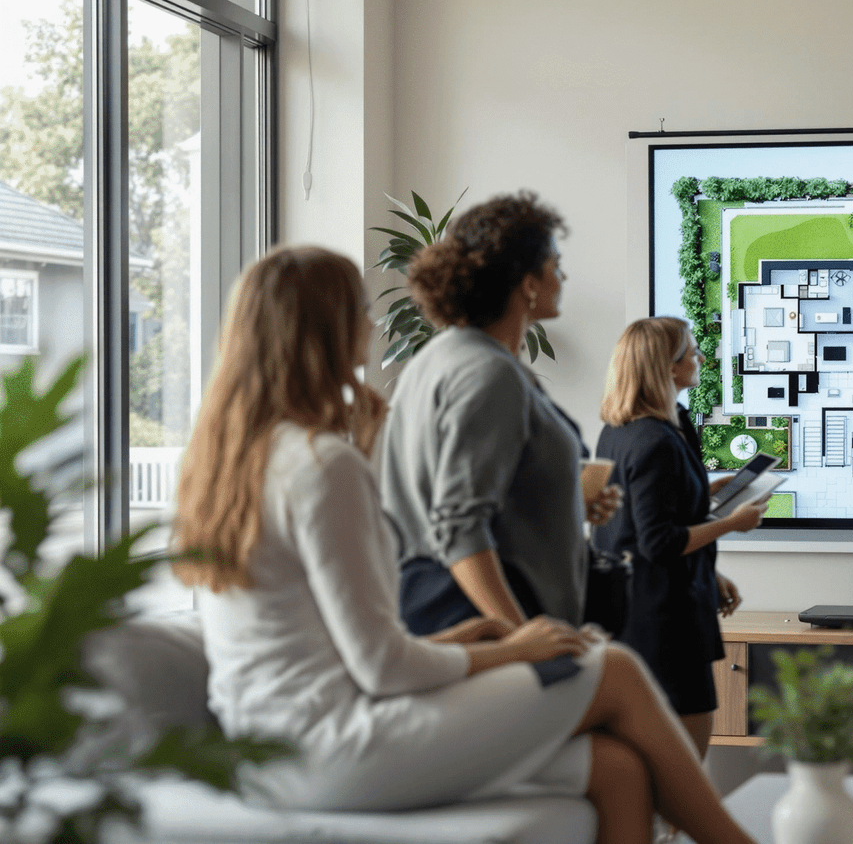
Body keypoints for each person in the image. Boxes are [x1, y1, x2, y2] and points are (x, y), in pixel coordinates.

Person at [172, 246, 757, 844]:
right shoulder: (322, 465)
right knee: (611, 667)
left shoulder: (227, 463)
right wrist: (514, 647)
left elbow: (331, 647)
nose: (371, 326)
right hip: (333, 746)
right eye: (358, 310)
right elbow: (382, 667)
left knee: (617, 771)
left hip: (266, 752)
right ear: (323, 330)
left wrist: (461, 639)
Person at [379, 191, 621, 634]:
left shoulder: (435, 360)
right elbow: (459, 525)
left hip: (433, 614)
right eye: (555, 264)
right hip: (483, 625)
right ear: (528, 283)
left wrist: (565, 502)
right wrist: (523, 638)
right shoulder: (490, 375)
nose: (563, 275)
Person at [594, 317, 765, 757]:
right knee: (683, 758)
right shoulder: (657, 442)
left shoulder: (623, 432)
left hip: (639, 610)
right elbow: (659, 542)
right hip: (664, 622)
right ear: (669, 368)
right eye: (692, 352)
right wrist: (732, 523)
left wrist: (711, 568)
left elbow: (643, 514)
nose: (701, 358)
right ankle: (672, 829)